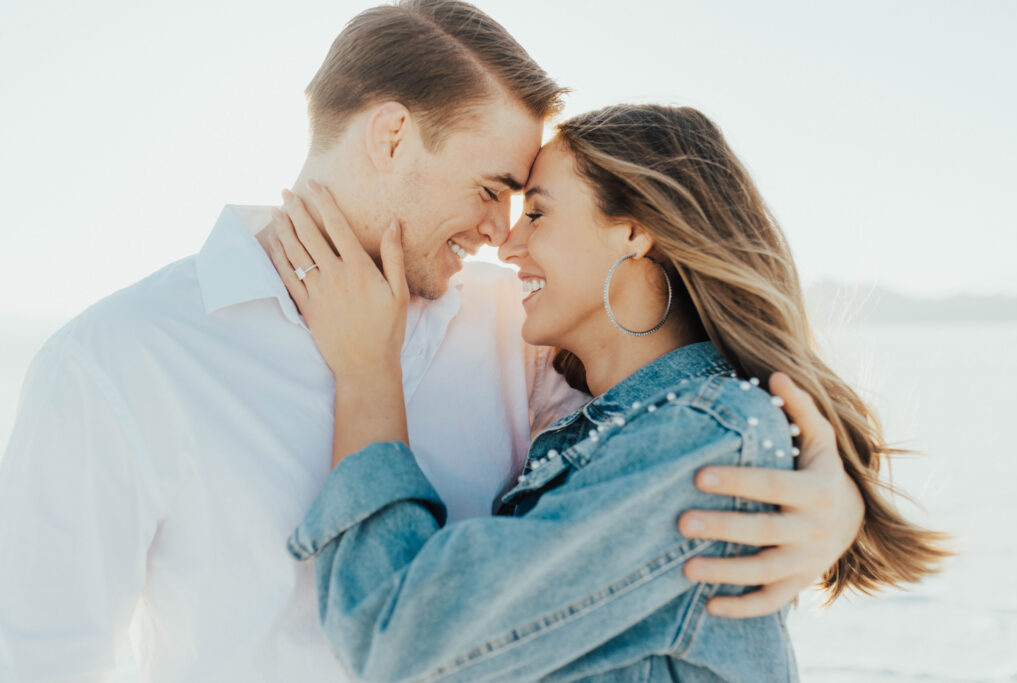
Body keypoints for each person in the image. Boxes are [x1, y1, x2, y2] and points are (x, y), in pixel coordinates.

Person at [0, 2, 863, 681]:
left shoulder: (515, 330)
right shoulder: (116, 360)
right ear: (390, 135)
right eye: (493, 188)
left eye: (526, 203)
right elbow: (40, 662)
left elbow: (672, 446)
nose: (500, 232)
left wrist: (831, 504)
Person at [270, 103, 949, 681]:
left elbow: (402, 636)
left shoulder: (707, 437)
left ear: (635, 230)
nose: (507, 246)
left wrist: (367, 374)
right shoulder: (618, 426)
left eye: (537, 212)